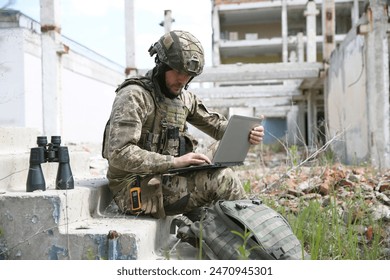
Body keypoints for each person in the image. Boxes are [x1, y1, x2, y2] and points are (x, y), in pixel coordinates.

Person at [102, 30, 264, 219]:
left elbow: (218, 127)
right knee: (222, 179)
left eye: (188, 75)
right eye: (178, 71)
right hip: (135, 185)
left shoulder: (185, 99)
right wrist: (173, 162)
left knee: (220, 154)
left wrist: (247, 133)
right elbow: (118, 154)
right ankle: (250, 239)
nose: (182, 80)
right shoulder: (134, 95)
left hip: (168, 174)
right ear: (161, 64)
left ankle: (230, 234)